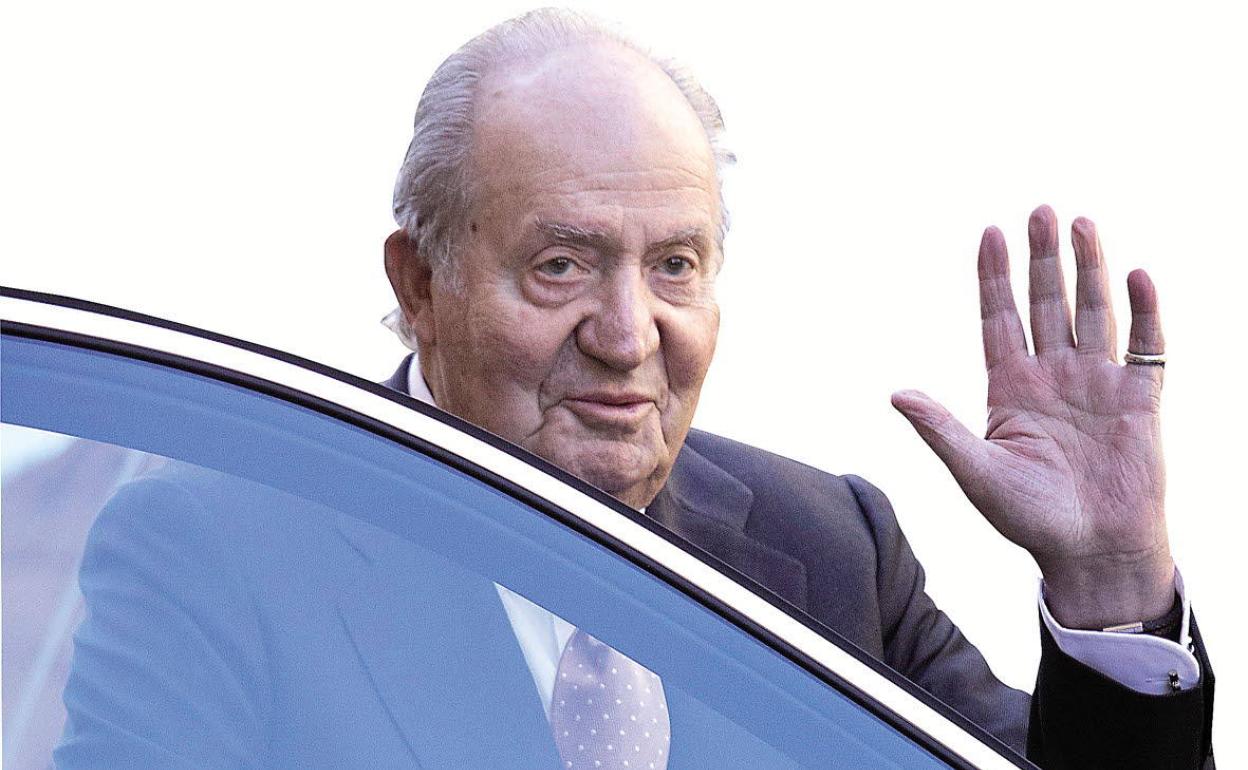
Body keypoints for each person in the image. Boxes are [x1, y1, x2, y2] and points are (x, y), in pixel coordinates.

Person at [56, 8, 1214, 769]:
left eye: (676, 266)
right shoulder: (215, 551)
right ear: (420, 283)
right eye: (561, 264)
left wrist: (1112, 582)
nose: (627, 335)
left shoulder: (831, 551)